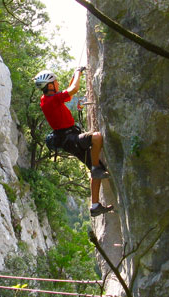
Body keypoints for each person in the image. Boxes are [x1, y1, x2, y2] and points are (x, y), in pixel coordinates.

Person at [34, 67, 114, 217]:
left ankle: (95, 206)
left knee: (96, 169)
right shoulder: (51, 100)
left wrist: (74, 77)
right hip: (70, 139)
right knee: (96, 137)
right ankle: (96, 167)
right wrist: (78, 72)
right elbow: (74, 89)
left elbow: (69, 95)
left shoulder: (48, 99)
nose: (57, 83)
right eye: (55, 82)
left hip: (69, 139)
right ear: (50, 86)